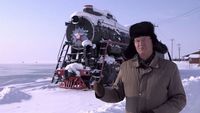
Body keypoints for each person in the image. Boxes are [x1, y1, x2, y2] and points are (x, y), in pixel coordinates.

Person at [93, 21, 186, 113]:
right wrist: (102, 93)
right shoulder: (125, 67)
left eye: (144, 39)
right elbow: (118, 94)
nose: (141, 44)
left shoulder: (170, 68)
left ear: (152, 41)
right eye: (137, 40)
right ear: (133, 44)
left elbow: (179, 99)